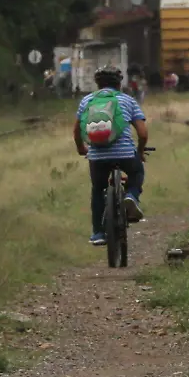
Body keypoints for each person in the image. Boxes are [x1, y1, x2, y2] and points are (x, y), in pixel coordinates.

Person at [74, 67, 147, 246]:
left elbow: (76, 130)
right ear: (119, 83)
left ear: (97, 84)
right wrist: (139, 151)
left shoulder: (87, 101)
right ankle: (131, 195)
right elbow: (143, 133)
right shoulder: (128, 100)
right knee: (137, 172)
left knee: (98, 189)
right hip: (125, 155)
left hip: (97, 156)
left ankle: (98, 232)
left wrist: (81, 149)